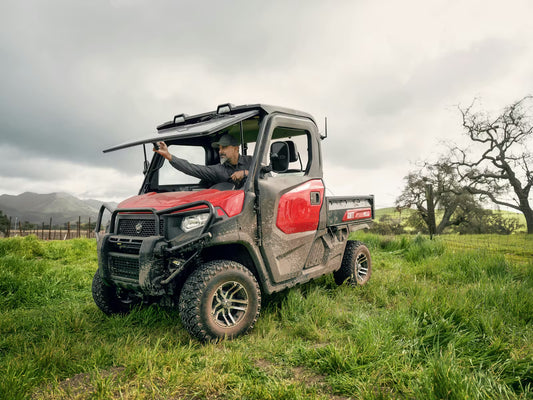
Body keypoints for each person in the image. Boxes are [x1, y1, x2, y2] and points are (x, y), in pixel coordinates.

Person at [154, 134, 252, 187]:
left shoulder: (251, 161)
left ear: (236, 149)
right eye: (220, 148)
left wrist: (246, 173)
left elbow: (265, 175)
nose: (220, 151)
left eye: (224, 147)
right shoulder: (217, 170)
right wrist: (168, 156)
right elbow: (191, 168)